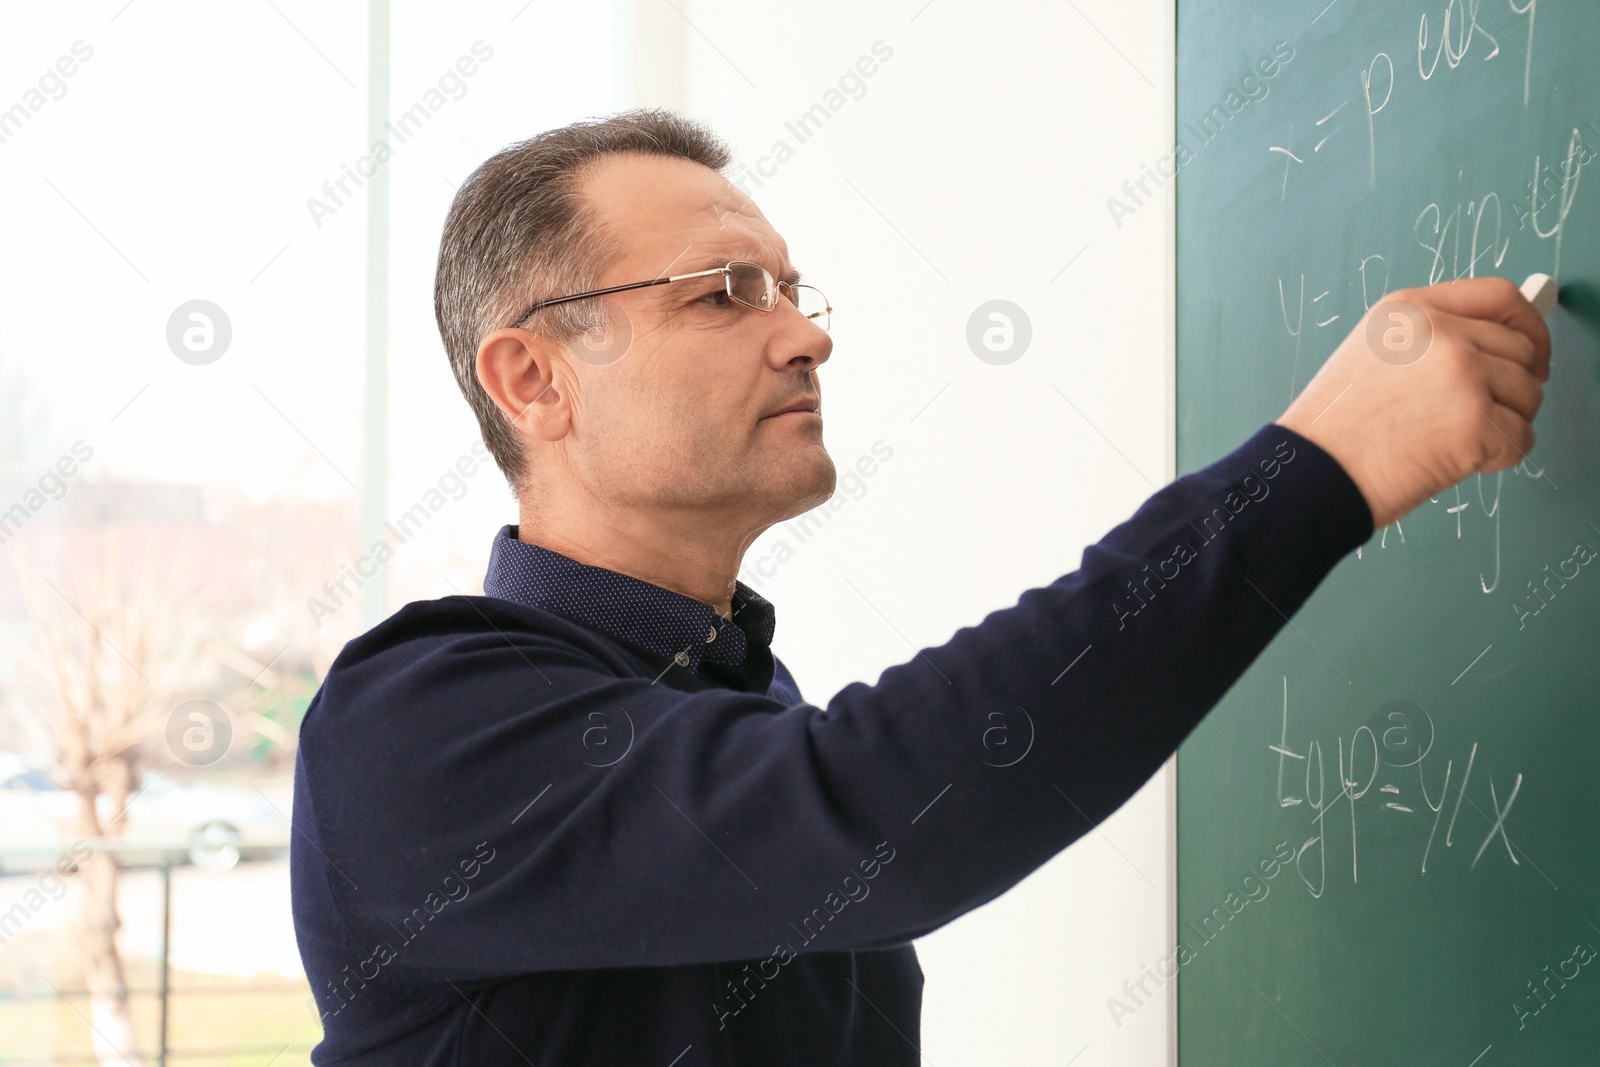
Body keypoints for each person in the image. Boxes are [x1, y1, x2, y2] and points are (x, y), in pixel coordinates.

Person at [289, 109, 1550, 1065]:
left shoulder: (749, 699)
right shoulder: (416, 722)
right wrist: (1318, 468)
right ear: (533, 381)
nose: (805, 330)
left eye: (790, 287)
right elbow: (874, 807)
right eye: (726, 293)